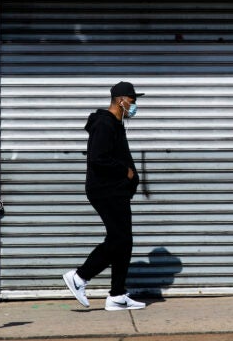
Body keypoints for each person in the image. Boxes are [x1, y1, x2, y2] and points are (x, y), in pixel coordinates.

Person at [63, 81, 145, 311]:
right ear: (121, 100)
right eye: (133, 100)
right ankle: (79, 277)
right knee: (118, 239)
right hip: (105, 190)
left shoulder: (116, 124)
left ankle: (117, 295)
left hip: (116, 190)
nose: (135, 104)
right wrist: (125, 171)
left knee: (124, 242)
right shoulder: (105, 124)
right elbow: (98, 158)